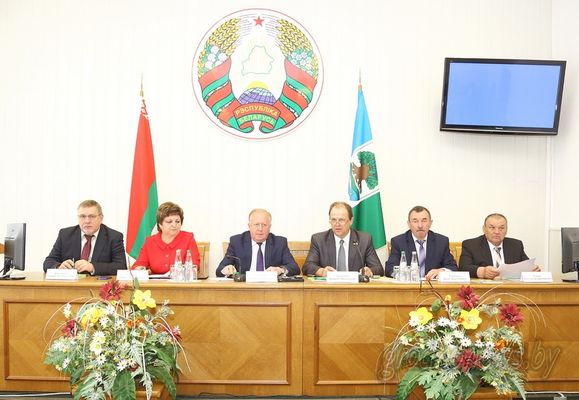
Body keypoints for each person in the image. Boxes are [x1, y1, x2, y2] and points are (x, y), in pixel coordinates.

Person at [43, 200, 127, 275]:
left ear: (101, 218)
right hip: (71, 285)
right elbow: (48, 262)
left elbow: (121, 266)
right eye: (82, 216)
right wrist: (59, 267)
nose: (87, 221)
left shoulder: (114, 237)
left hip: (97, 285)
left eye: (92, 216)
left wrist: (92, 267)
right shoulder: (65, 234)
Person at [302, 201, 384, 277]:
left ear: (351, 221)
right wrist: (322, 272)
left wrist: (369, 271)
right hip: (329, 286)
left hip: (354, 286)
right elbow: (307, 266)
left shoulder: (364, 240)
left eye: (341, 220)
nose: (337, 224)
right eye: (333, 220)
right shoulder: (319, 240)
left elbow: (378, 269)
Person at [216, 208, 300, 277]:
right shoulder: (237, 242)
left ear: (270, 227)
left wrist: (280, 270)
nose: (260, 229)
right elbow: (219, 270)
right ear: (249, 226)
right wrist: (226, 270)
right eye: (256, 224)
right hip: (244, 288)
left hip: (271, 288)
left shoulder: (279, 243)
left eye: (264, 225)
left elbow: (295, 268)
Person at [385, 205, 457, 279]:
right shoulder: (398, 242)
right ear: (409, 224)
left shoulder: (441, 242)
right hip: (409, 285)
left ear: (430, 223)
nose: (420, 225)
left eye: (424, 221)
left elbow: (453, 267)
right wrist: (403, 276)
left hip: (433, 285)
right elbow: (389, 268)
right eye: (415, 221)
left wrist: (442, 271)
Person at [459, 213, 539, 279]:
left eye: (501, 228)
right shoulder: (471, 245)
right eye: (492, 228)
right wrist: (483, 272)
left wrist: (532, 270)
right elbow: (463, 268)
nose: (497, 232)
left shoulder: (516, 245)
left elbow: (526, 265)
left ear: (506, 230)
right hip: (485, 289)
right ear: (484, 229)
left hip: (511, 288)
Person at [133, 202, 200, 274]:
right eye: (169, 222)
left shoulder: (188, 238)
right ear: (160, 224)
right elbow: (138, 265)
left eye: (177, 221)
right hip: (155, 281)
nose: (174, 225)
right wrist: (140, 269)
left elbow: (194, 265)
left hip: (180, 280)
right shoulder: (150, 241)